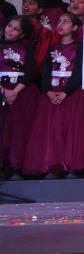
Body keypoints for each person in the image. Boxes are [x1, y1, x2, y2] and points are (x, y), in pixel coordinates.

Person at [24, 13, 84, 178]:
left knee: (70, 128)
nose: (60, 24)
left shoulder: (80, 48)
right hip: (52, 93)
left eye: (65, 22)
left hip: (71, 94)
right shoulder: (52, 48)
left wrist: (66, 92)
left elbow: (79, 72)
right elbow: (45, 71)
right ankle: (52, 165)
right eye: (59, 21)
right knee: (51, 129)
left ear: (74, 27)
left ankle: (70, 166)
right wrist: (48, 91)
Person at [0, 16, 39, 179]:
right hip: (2, 89)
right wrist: (4, 91)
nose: (10, 30)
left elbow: (29, 72)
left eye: (16, 29)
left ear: (22, 34)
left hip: (21, 93)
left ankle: (16, 166)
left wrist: (14, 92)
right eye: (9, 26)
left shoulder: (27, 50)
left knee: (18, 130)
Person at [20, 0, 54, 71]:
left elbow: (41, 57)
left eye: (31, 3)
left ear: (39, 10)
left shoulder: (44, 31)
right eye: (24, 3)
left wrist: (31, 73)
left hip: (33, 71)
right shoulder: (16, 26)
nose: (26, 5)